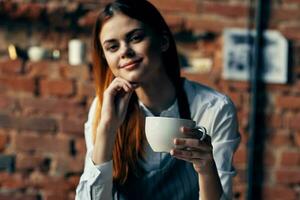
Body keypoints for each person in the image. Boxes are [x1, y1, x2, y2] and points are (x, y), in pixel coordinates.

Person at [75, 0, 240, 199]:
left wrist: (206, 170)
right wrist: (107, 129)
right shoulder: (104, 108)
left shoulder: (214, 109)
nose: (124, 51)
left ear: (163, 41)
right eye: (112, 47)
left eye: (135, 38)